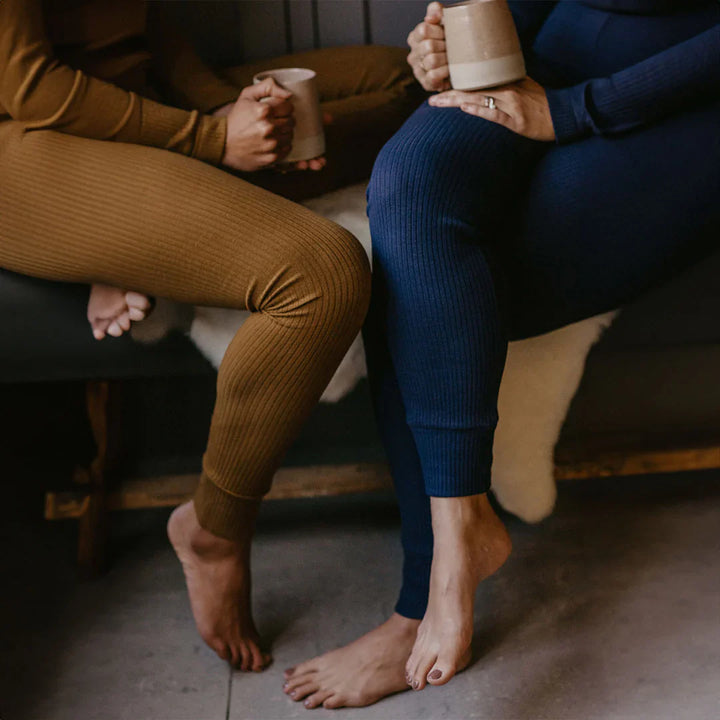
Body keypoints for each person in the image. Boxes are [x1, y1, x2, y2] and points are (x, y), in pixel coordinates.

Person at [282, 0, 720, 709]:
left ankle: (424, 598)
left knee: (432, 286)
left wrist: (576, 111)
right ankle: (457, 534)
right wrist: (456, 43)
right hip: (554, 49)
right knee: (410, 195)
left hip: (695, 91)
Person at [0, 0, 419, 673]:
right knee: (323, 273)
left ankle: (153, 230)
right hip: (23, 140)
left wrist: (226, 105)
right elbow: (32, 88)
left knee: (400, 79)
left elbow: (139, 25)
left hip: (125, 101)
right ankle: (215, 529)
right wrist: (210, 138)